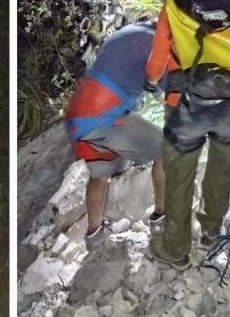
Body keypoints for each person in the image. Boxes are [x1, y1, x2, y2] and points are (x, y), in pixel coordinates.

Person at [145, 0, 230, 270]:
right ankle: (211, 231)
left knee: (180, 175)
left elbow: (158, 57)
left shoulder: (178, 0)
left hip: (186, 105)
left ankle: (175, 249)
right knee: (221, 170)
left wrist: (153, 81)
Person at [63, 22, 166, 249]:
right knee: (168, 149)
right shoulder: (157, 47)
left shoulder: (130, 31)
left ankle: (94, 234)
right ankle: (162, 217)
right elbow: (170, 96)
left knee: (100, 175)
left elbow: (147, 82)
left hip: (78, 114)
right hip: (105, 116)